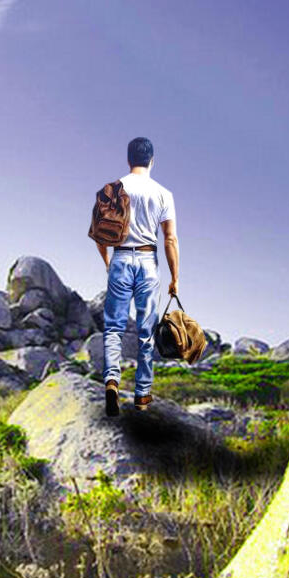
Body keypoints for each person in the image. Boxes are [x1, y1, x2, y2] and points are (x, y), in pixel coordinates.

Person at [93, 136, 179, 416]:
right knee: (146, 330)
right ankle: (142, 394)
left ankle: (112, 382)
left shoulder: (113, 188)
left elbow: (99, 234)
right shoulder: (163, 194)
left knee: (114, 327)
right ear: (152, 160)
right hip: (147, 260)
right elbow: (170, 239)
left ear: (129, 160)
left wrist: (109, 263)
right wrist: (174, 277)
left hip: (120, 257)